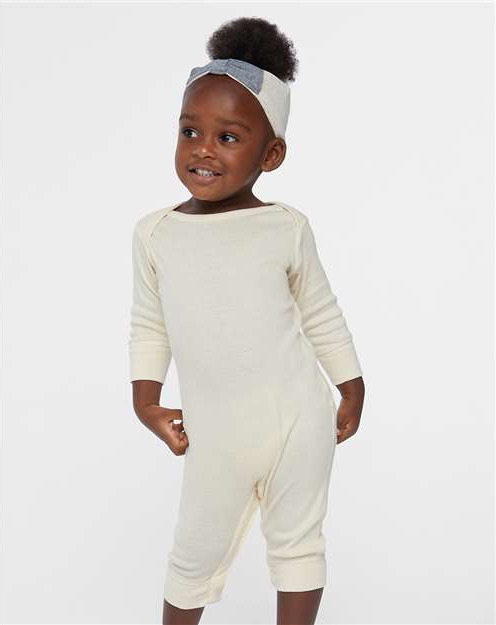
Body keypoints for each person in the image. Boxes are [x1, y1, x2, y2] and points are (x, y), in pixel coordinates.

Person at [129, 16, 365, 625]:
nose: (203, 148)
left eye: (228, 137)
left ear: (271, 153)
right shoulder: (156, 235)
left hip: (299, 420)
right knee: (193, 557)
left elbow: (320, 311)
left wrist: (351, 384)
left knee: (298, 546)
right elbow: (150, 324)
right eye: (190, 130)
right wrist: (146, 401)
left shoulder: (285, 228)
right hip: (216, 434)